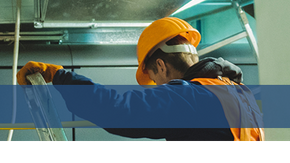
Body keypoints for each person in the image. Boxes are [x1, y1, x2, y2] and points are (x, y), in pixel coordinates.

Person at [17, 16, 264, 142]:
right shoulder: (236, 92)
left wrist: (59, 75)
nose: (157, 86)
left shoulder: (192, 96)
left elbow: (116, 110)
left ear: (160, 65)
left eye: (154, 79)